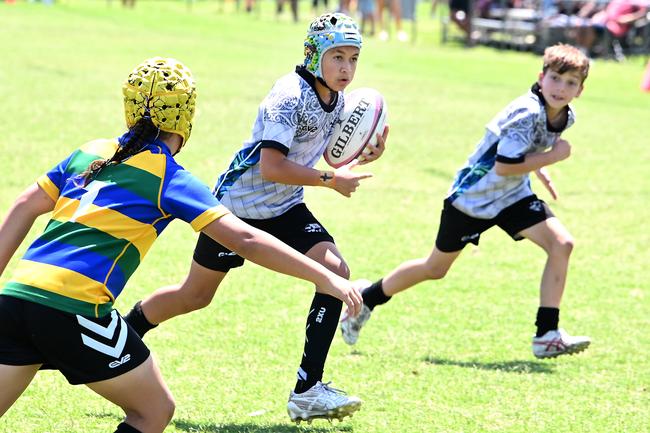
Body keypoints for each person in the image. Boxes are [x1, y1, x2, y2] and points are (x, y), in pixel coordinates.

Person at [0, 57, 365, 433]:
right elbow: (245, 238)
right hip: (74, 307)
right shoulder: (168, 176)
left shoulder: (92, 150)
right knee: (154, 411)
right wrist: (327, 277)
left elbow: (25, 204)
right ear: (186, 115)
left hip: (14, 298)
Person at [122, 14, 388, 424]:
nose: (346, 69)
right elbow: (272, 167)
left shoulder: (339, 100)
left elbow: (335, 150)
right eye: (337, 57)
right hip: (237, 209)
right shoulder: (287, 95)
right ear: (313, 54)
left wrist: (365, 152)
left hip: (284, 207)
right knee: (194, 296)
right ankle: (124, 333)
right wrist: (331, 179)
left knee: (334, 271)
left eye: (353, 59)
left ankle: (308, 390)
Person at [341, 43, 592, 360]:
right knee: (434, 268)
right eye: (556, 78)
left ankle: (546, 334)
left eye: (571, 83)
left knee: (562, 244)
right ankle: (367, 298)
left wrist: (539, 168)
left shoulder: (564, 116)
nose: (561, 88)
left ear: (580, 90)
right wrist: (552, 157)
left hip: (512, 195)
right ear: (541, 77)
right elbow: (503, 164)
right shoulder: (526, 113)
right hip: (472, 198)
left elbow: (524, 151)